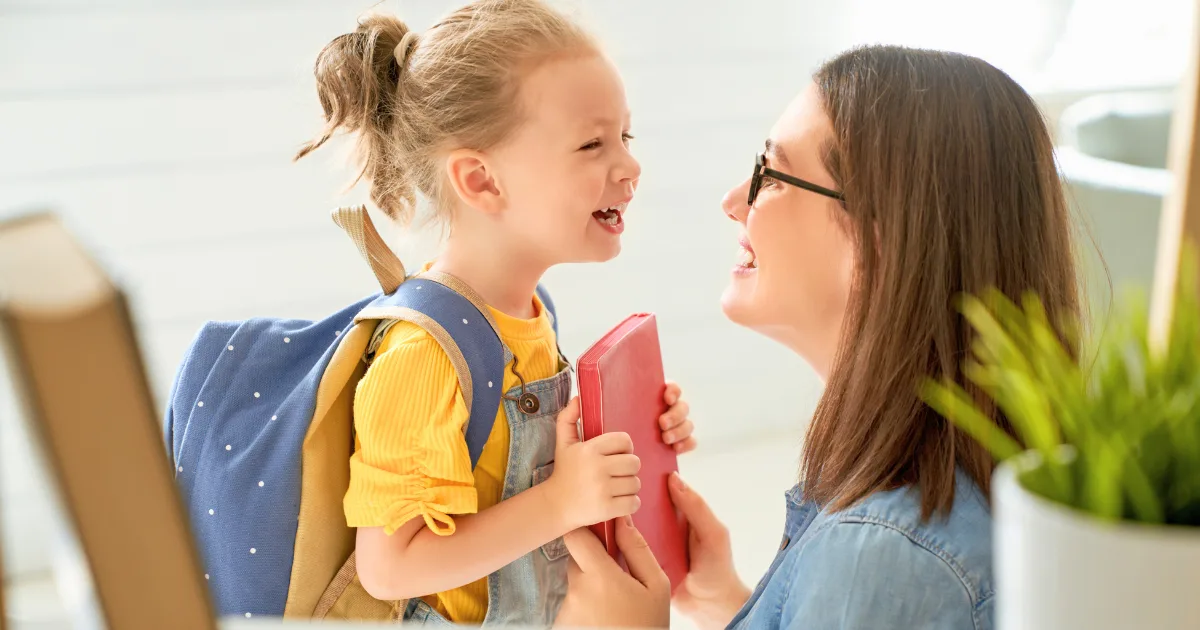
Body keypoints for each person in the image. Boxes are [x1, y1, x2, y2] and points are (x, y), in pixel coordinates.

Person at [554, 44, 1081, 629]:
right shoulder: (933, 513)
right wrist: (727, 601)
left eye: (770, 176)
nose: (734, 203)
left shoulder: (882, 558)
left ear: (877, 243)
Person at [294, 0, 697, 624]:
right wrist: (562, 501)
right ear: (481, 181)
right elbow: (389, 566)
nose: (630, 165)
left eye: (625, 136)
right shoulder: (422, 356)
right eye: (592, 143)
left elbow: (503, 468)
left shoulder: (531, 314)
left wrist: (628, 432)